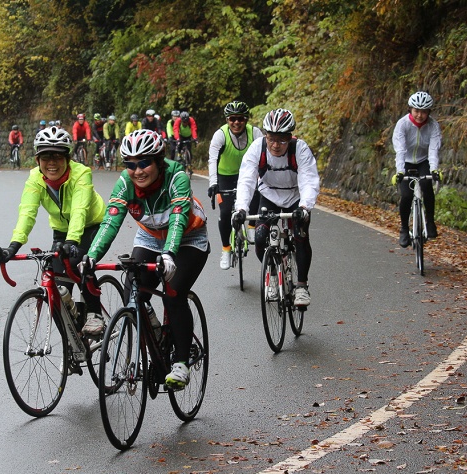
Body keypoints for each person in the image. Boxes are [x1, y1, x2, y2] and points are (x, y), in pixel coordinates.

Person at [83, 129, 209, 390]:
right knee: (133, 292)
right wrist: (92, 256)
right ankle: (158, 335)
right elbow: (110, 221)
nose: (137, 171)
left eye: (144, 163)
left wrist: (170, 253)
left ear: (158, 161)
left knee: (174, 294)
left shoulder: (176, 175)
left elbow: (177, 216)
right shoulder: (125, 183)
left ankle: (181, 363)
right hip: (150, 236)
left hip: (187, 237)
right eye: (130, 165)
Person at [0, 126, 107, 336]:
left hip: (92, 225)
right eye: (46, 157)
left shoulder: (81, 174)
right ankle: (72, 338)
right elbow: (27, 212)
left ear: (67, 158)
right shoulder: (35, 178)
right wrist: (13, 246)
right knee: (55, 283)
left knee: (81, 263)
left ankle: (94, 313)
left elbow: (79, 210)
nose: (52, 163)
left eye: (57, 156)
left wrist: (73, 241)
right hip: (62, 230)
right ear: (38, 160)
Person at [231, 108, 320, 307]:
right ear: (265, 136)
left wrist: (305, 206)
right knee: (261, 237)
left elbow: (309, 179)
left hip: (296, 196)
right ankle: (271, 275)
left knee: (300, 235)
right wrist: (241, 209)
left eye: (281, 140)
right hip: (269, 194)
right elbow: (246, 179)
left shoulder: (300, 149)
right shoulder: (257, 148)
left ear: (290, 137)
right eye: (271, 139)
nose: (275, 145)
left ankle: (302, 286)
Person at [207, 101, 264, 269]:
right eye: (232, 119)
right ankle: (226, 249)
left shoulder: (255, 133)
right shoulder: (220, 135)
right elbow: (213, 160)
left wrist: (263, 179)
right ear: (227, 120)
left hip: (248, 174)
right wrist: (213, 183)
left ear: (246, 120)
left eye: (240, 119)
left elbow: (264, 156)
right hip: (225, 176)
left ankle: (252, 226)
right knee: (225, 213)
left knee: (257, 194)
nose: (236, 122)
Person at [391, 91, 442, 247]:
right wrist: (400, 171)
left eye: (424, 111)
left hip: (423, 161)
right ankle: (404, 229)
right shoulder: (402, 125)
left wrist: (434, 169)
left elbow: (434, 149)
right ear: (410, 110)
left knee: (427, 186)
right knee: (406, 195)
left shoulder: (433, 126)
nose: (420, 115)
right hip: (406, 161)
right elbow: (400, 150)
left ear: (429, 112)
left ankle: (430, 221)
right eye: (416, 111)